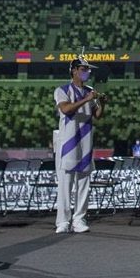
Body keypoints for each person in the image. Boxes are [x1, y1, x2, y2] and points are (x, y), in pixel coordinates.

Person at [54, 54, 105, 233]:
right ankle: (63, 221)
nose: (87, 72)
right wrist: (87, 99)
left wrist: (102, 104)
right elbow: (66, 109)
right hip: (68, 142)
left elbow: (97, 116)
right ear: (74, 71)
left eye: (88, 70)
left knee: (84, 183)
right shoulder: (62, 90)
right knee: (65, 184)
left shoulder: (90, 90)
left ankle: (79, 219)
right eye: (84, 69)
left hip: (85, 141)